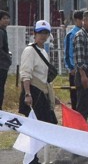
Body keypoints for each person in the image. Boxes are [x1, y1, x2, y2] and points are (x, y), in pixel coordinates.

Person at [19, 20, 57, 164]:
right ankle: (30, 159)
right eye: (40, 32)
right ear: (34, 33)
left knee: (42, 127)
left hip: (42, 93)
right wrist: (27, 94)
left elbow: (44, 77)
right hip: (33, 93)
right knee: (35, 128)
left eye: (46, 33)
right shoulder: (30, 50)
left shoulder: (43, 51)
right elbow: (25, 74)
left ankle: (33, 157)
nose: (43, 35)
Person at [73, 10, 88, 120]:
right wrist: (83, 75)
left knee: (86, 103)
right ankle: (79, 130)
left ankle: (82, 127)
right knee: (82, 104)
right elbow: (79, 58)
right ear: (84, 20)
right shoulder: (80, 35)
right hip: (84, 73)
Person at [63, 10, 83, 110]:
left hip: (85, 69)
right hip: (75, 70)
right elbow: (67, 53)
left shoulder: (87, 34)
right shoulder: (71, 35)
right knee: (75, 95)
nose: (83, 22)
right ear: (76, 20)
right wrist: (71, 68)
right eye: (81, 19)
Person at [0, 10, 11, 110]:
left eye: (8, 18)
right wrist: (7, 57)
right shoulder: (1, 32)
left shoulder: (3, 31)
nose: (7, 20)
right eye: (4, 18)